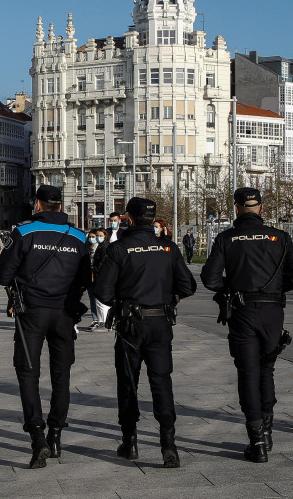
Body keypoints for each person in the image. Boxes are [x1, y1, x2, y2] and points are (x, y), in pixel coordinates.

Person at [200, 188, 293, 463]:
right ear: (260, 208)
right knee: (267, 370)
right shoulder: (279, 237)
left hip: (242, 310)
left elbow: (210, 279)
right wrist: (274, 289)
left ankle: (256, 440)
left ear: (236, 208)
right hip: (272, 310)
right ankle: (268, 432)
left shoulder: (227, 238)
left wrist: (233, 289)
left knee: (248, 373)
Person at [0, 185, 91, 469]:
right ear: (60, 206)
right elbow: (86, 277)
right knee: (61, 376)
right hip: (64, 313)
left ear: (37, 204)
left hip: (31, 312)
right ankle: (57, 434)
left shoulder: (24, 232)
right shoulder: (78, 236)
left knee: (28, 373)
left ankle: (38, 438)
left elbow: (2, 275)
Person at [95, 197, 196, 468]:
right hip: (160, 322)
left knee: (128, 382)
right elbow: (188, 287)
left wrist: (121, 298)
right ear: (153, 220)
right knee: (161, 381)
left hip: (130, 324)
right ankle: (168, 444)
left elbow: (102, 292)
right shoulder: (168, 248)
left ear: (129, 218)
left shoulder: (119, 248)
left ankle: (130, 442)